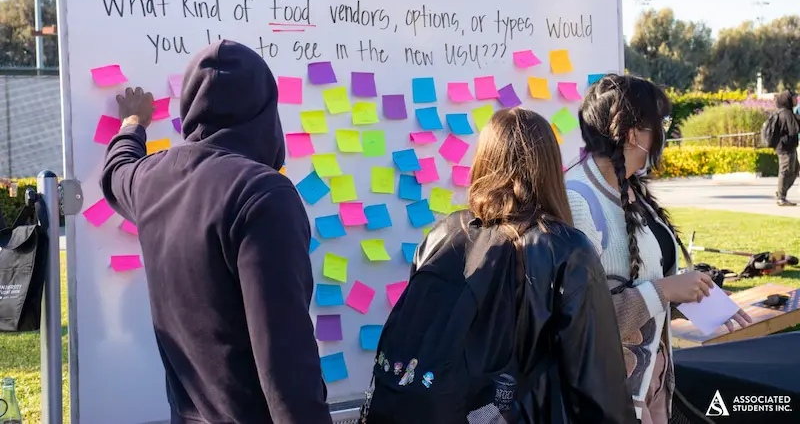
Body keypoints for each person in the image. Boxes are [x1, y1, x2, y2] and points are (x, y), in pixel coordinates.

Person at [101, 40, 332, 424]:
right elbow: (286, 363)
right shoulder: (262, 194)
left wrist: (132, 124)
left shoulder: (153, 180)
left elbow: (116, 172)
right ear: (265, 113)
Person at [367, 108, 636, 424]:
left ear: (483, 161)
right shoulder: (566, 249)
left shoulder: (443, 233)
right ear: (549, 167)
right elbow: (599, 390)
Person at [565, 74, 752, 424]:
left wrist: (700, 297)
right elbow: (587, 318)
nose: (664, 132)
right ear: (633, 133)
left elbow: (648, 279)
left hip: (652, 378)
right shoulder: (578, 199)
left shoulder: (630, 187)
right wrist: (667, 289)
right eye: (661, 122)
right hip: (609, 396)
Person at [773, 90, 799, 206]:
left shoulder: (788, 112)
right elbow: (793, 130)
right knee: (785, 171)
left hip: (789, 147)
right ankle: (781, 197)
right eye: (794, 98)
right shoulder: (785, 114)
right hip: (785, 148)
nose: (796, 100)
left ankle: (781, 193)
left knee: (795, 170)